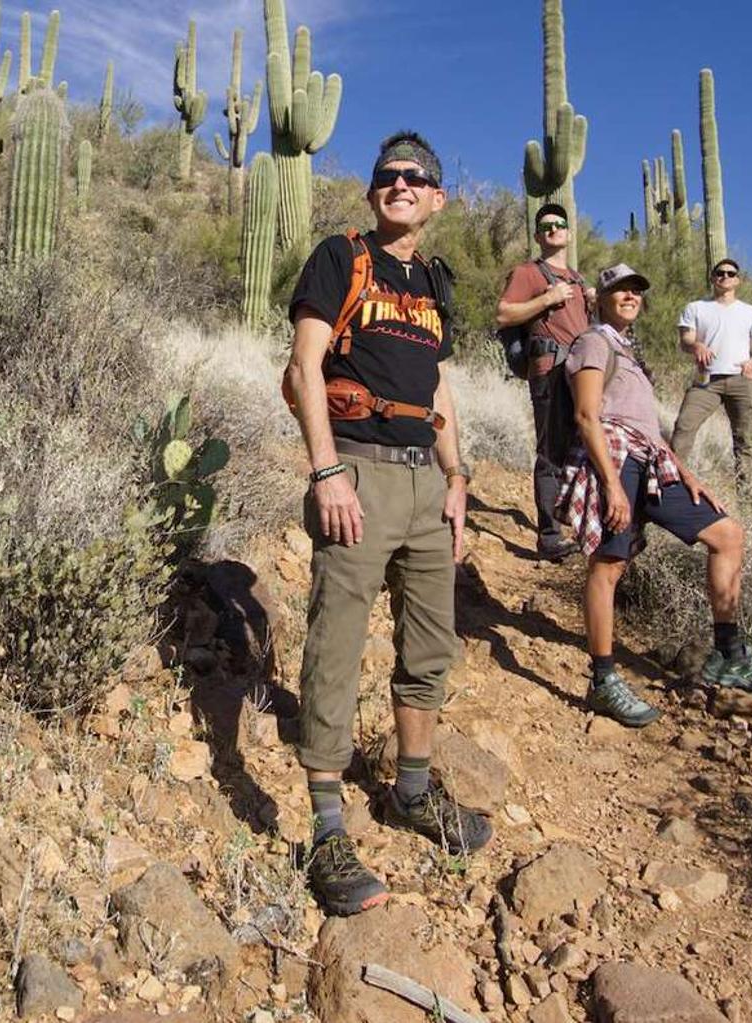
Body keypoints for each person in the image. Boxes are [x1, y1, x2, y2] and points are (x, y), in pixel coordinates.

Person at [282, 131, 492, 917]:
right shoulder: (341, 258)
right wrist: (327, 468)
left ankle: (410, 790)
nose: (399, 184)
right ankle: (327, 827)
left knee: (429, 644)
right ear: (374, 193)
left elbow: (437, 387)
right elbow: (306, 365)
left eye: (417, 178)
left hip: (423, 486)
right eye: (387, 176)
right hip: (359, 471)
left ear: (438, 199)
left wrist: (458, 477)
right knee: (337, 643)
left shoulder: (435, 280)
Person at [556, 263, 752, 728]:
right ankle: (602, 679)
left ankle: (729, 655)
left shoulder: (628, 350)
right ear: (599, 299)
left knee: (728, 535)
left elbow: (650, 429)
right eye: (619, 290)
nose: (629, 297)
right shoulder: (593, 343)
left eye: (635, 291)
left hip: (652, 462)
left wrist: (687, 473)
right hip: (616, 460)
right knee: (609, 564)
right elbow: (587, 416)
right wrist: (608, 484)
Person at [495, 203, 597, 561]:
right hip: (550, 369)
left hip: (582, 372)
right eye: (546, 226)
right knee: (551, 452)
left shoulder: (579, 279)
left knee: (587, 449)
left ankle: (583, 525)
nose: (553, 229)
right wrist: (548, 298)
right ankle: (549, 537)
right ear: (538, 236)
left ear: (569, 233)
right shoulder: (528, 273)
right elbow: (504, 313)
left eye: (559, 224)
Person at [670, 258, 752, 481]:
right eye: (720, 273)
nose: (724, 277)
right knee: (684, 428)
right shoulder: (696, 308)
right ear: (712, 277)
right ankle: (672, 482)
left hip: (741, 380)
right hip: (706, 380)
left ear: (738, 280)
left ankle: (746, 491)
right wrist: (696, 345)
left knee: (745, 439)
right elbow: (685, 339)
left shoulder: (750, 312)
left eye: (730, 273)